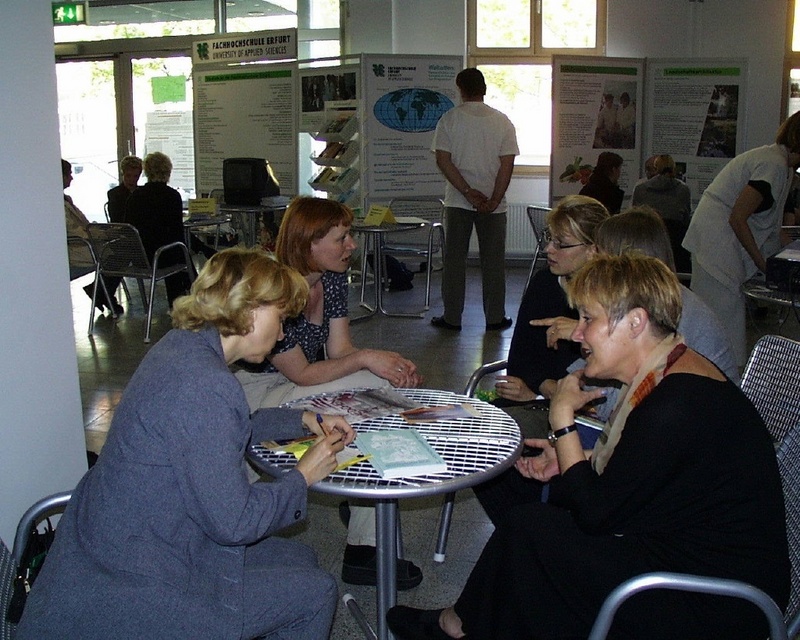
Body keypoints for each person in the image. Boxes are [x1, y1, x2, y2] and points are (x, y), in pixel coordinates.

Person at [386, 253, 789, 640]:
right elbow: (653, 468)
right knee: (525, 507)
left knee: (533, 531)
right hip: (681, 553)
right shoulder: (673, 370)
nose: (577, 333)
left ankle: (464, 625)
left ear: (635, 323)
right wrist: (579, 458)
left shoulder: (676, 405)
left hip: (714, 601)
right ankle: (470, 624)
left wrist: (562, 423)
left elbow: (596, 515)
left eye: (588, 319)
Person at [17, 247, 356, 639]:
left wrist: (302, 418)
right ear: (248, 312)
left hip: (126, 541)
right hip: (143, 578)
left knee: (301, 556)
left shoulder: (183, 347)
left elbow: (224, 430)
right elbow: (236, 523)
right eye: (280, 319)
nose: (282, 334)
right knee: (316, 591)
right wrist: (302, 477)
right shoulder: (205, 386)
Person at [234, 196, 425, 590]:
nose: (351, 245)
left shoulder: (331, 278)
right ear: (309, 245)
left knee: (379, 389)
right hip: (253, 391)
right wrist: (370, 359)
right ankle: (363, 539)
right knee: (371, 390)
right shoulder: (276, 288)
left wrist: (382, 363)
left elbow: (340, 353)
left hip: (291, 384)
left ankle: (363, 517)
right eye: (342, 238)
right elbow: (302, 374)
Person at [683, 111, 800, 366]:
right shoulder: (773, 164)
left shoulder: (783, 167)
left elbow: (772, 227)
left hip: (718, 243)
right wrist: (762, 263)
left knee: (720, 323)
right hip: (715, 246)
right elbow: (738, 218)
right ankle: (719, 380)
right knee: (718, 323)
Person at [491, 195, 609, 413]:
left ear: (592, 250)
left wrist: (538, 393)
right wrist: (543, 389)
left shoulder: (610, 297)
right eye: (549, 238)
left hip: (580, 413)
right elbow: (518, 357)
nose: (548, 249)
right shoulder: (543, 282)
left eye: (561, 244)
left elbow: (602, 389)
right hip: (539, 398)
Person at [429, 67, 519, 332]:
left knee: (455, 262)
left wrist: (467, 192)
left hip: (458, 202)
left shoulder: (449, 119)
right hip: (494, 204)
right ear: (484, 89)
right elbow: (507, 165)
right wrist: (493, 200)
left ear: (460, 89)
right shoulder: (502, 121)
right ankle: (494, 318)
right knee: (493, 263)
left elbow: (443, 160)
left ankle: (452, 318)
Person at [124, 151, 192, 306]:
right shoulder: (172, 196)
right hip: (163, 257)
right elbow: (176, 233)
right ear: (167, 172)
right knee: (179, 250)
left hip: (140, 257)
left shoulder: (134, 196)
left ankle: (187, 290)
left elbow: (128, 228)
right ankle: (181, 299)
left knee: (175, 250)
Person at [62, 158, 124, 315]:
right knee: (119, 255)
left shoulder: (66, 200)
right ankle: (102, 293)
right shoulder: (57, 205)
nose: (71, 177)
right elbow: (77, 231)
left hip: (85, 243)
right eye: (68, 174)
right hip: (77, 248)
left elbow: (85, 225)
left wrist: (103, 232)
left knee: (119, 251)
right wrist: (102, 235)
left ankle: (100, 291)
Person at [632, 154, 692, 272]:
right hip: (676, 249)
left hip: (647, 246)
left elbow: (634, 219)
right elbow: (685, 220)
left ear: (656, 168)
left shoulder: (640, 189)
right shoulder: (683, 190)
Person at [106, 155, 142, 222]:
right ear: (122, 174)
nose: (132, 179)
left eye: (135, 176)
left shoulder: (143, 193)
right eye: (128, 176)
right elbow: (116, 219)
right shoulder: (114, 194)